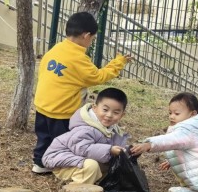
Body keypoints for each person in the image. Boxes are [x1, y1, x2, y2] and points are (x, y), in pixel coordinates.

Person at [32, 11, 131, 174]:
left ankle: (39, 162)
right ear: (86, 35)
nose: (91, 42)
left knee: (44, 137)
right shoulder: (79, 59)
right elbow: (99, 76)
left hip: (42, 106)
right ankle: (63, 168)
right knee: (66, 142)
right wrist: (118, 63)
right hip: (62, 111)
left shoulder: (56, 48)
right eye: (92, 39)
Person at [42, 87, 128, 184]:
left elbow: (116, 147)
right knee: (92, 166)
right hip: (61, 162)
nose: (109, 115)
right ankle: (78, 189)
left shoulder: (113, 129)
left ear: (122, 115)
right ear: (95, 108)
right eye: (105, 110)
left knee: (113, 166)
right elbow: (82, 148)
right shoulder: (85, 128)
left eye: (116, 112)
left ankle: (93, 181)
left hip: (79, 160)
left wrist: (129, 151)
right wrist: (109, 150)